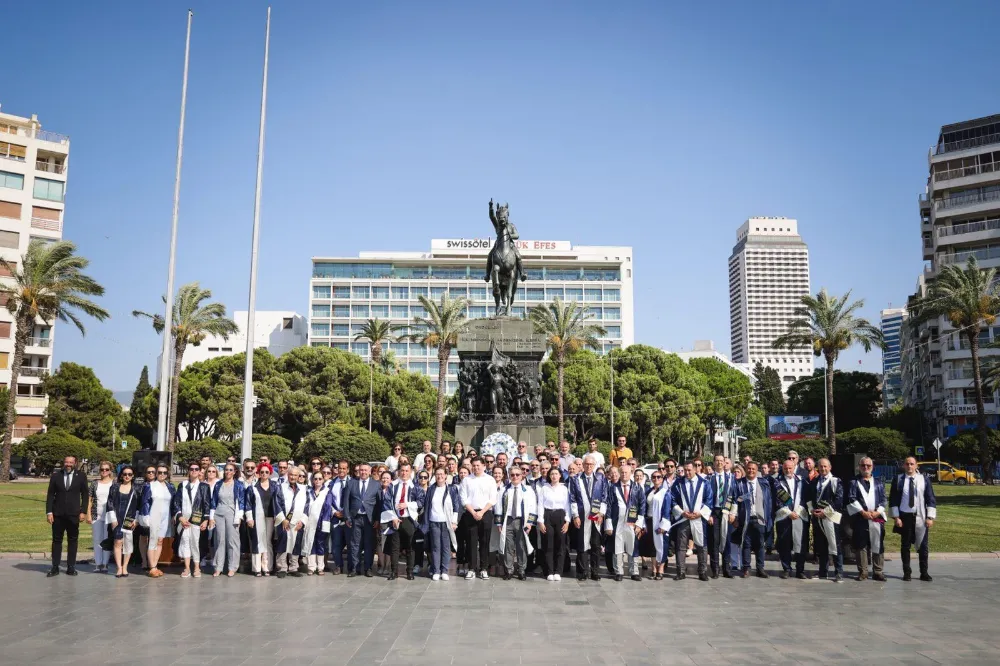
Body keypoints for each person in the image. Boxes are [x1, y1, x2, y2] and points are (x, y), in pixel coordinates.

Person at [890, 456, 937, 582]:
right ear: (903, 466)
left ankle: (924, 572)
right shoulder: (898, 479)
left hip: (920, 516)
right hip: (905, 517)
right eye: (907, 464)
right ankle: (907, 572)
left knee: (923, 546)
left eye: (912, 464)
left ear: (916, 466)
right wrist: (896, 517)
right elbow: (893, 499)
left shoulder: (924, 479)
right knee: (905, 546)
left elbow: (930, 498)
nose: (909, 466)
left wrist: (930, 517)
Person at [45, 455, 89, 577]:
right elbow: (50, 495)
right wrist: (49, 512)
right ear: (63, 462)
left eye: (71, 462)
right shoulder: (55, 476)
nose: (68, 464)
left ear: (75, 463)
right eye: (66, 462)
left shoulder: (81, 476)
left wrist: (83, 511)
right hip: (57, 514)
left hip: (73, 514)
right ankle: (55, 567)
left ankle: (71, 567)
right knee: (56, 541)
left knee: (73, 540)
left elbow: (85, 495)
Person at [671, 460, 714, 581]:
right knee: (681, 545)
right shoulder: (678, 483)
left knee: (701, 545)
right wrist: (681, 512)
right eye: (685, 470)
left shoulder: (704, 483)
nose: (687, 472)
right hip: (684, 518)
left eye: (689, 470)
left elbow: (709, 499)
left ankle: (702, 571)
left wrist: (700, 513)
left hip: (698, 518)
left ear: (695, 469)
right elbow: (673, 499)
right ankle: (680, 571)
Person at [492, 465, 536, 581]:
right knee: (508, 547)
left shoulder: (528, 490)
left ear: (522, 476)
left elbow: (533, 507)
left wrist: (530, 523)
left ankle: (522, 570)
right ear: (509, 476)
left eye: (517, 474)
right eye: (512, 475)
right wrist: (499, 523)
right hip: (508, 521)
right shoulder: (504, 490)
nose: (515, 477)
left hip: (522, 521)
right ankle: (509, 570)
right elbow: (498, 507)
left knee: (521, 546)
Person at [569, 454, 609, 581]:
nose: (589, 466)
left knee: (596, 545)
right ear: (582, 465)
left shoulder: (600, 478)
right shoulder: (576, 479)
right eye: (586, 464)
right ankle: (582, 572)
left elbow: (604, 496)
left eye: (591, 464)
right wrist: (575, 516)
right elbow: (573, 499)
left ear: (595, 465)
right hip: (582, 516)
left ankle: (595, 572)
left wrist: (601, 513)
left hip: (596, 517)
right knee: (582, 545)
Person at [847, 457, 887, 582]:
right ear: (859, 467)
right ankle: (863, 571)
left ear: (872, 467)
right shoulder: (854, 482)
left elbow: (883, 499)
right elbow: (851, 498)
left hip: (876, 518)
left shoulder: (879, 482)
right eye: (863, 465)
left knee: (878, 544)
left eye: (868, 465)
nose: (866, 468)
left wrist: (877, 512)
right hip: (860, 517)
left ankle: (878, 571)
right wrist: (863, 512)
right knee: (861, 545)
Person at [382, 463, 424, 580]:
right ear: (399, 472)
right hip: (395, 519)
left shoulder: (415, 486)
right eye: (402, 471)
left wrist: (407, 505)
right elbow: (386, 502)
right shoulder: (393, 486)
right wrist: (393, 517)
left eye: (407, 470)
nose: (404, 473)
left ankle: (409, 571)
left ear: (410, 472)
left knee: (410, 547)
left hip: (409, 519)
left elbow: (421, 502)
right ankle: (394, 571)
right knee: (395, 547)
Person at [605, 463, 645, 582]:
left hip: (632, 523)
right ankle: (619, 571)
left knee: (633, 546)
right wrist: (608, 523)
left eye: (626, 472)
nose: (624, 474)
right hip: (618, 522)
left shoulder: (637, 487)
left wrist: (639, 523)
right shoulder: (613, 487)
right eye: (621, 472)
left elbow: (642, 506)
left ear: (631, 473)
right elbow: (609, 505)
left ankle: (634, 571)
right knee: (617, 547)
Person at [172, 461, 212, 579]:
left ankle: (197, 568)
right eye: (191, 469)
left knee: (195, 543)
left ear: (200, 471)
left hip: (197, 521)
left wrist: (205, 519)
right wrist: (180, 517)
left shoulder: (204, 486)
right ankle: (187, 568)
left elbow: (207, 504)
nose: (194, 471)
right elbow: (176, 503)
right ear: (189, 471)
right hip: (184, 521)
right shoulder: (182, 485)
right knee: (185, 543)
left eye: (196, 469)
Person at [459, 458, 497, 580]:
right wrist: (473, 512)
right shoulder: (466, 480)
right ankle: (471, 568)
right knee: (471, 542)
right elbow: (463, 499)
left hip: (485, 513)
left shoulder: (490, 480)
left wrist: (481, 512)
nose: (476, 468)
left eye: (478, 465)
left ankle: (484, 568)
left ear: (484, 466)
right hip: (470, 514)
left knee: (485, 542)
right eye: (474, 465)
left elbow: (493, 499)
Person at [733, 461, 771, 579]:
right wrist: (734, 516)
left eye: (753, 469)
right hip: (745, 519)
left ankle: (760, 568)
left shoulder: (764, 483)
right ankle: (746, 568)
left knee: (760, 545)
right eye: (749, 469)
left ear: (757, 470)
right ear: (746, 469)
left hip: (760, 519)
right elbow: (735, 500)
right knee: (746, 544)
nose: (751, 471)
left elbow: (769, 502)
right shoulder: (739, 484)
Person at [422, 467, 461, 581]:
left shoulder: (452, 489)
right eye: (437, 474)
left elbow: (456, 505)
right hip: (434, 521)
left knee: (446, 547)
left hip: (446, 522)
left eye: (441, 474)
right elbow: (427, 506)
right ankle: (436, 570)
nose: (439, 476)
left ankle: (444, 570)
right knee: (435, 547)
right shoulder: (431, 489)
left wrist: (454, 521)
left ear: (445, 476)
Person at [810, 458, 845, 582]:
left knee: (835, 545)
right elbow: (810, 499)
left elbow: (839, 500)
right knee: (821, 545)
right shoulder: (814, 481)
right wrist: (813, 510)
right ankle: (822, 572)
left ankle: (838, 572)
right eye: (821, 466)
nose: (823, 469)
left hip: (831, 518)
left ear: (830, 467)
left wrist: (825, 512)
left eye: (825, 466)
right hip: (817, 519)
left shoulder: (836, 481)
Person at [210, 462, 247, 578]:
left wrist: (240, 516)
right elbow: (214, 501)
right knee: (219, 540)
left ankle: (232, 567)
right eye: (226, 470)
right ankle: (218, 567)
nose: (228, 472)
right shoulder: (218, 484)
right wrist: (211, 517)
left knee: (232, 541)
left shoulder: (239, 485)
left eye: (231, 470)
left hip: (232, 513)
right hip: (219, 513)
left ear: (235, 472)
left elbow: (242, 501)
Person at [138, 464, 175, 578]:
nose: (162, 474)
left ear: (167, 474)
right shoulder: (150, 486)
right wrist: (145, 517)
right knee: (153, 541)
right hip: (154, 515)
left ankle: (155, 564)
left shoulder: (170, 486)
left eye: (164, 472)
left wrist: (174, 515)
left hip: (166, 517)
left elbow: (173, 503)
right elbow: (145, 502)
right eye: (159, 472)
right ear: (156, 473)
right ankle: (152, 567)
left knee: (160, 541)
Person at [773, 460, 808, 579]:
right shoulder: (777, 482)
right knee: (784, 544)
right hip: (784, 516)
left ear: (794, 468)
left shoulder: (801, 481)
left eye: (790, 468)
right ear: (783, 469)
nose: (788, 470)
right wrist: (789, 513)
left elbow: (805, 497)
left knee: (800, 543)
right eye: (786, 468)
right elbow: (777, 500)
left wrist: (797, 512)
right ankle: (786, 569)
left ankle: (800, 570)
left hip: (799, 515)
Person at [345, 462, 381, 577]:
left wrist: (377, 519)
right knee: (355, 544)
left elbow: (379, 503)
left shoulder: (376, 484)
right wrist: (347, 517)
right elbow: (346, 502)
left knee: (369, 544)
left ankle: (368, 568)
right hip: (355, 518)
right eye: (361, 470)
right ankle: (355, 568)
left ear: (370, 472)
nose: (363, 472)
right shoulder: (351, 483)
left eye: (366, 470)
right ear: (358, 471)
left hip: (369, 519)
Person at [273, 467, 308, 578]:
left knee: (296, 544)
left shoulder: (303, 489)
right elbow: (276, 504)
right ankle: (282, 568)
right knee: (282, 543)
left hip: (297, 523)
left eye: (295, 475)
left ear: (299, 476)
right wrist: (283, 519)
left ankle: (293, 567)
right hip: (284, 521)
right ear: (288, 475)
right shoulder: (280, 487)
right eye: (291, 475)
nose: (293, 477)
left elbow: (307, 506)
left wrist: (302, 521)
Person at [537, 466, 570, 581]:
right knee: (548, 544)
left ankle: (558, 571)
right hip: (547, 516)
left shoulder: (564, 489)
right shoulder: (544, 488)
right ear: (549, 476)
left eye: (556, 474)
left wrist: (567, 521)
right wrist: (540, 521)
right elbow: (540, 505)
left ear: (560, 476)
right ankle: (549, 571)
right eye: (552, 474)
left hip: (560, 516)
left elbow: (567, 506)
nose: (554, 476)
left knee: (561, 544)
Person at [106, 466, 139, 578]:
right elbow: (109, 503)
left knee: (128, 542)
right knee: (117, 542)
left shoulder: (136, 489)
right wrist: (113, 519)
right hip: (117, 518)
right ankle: (119, 567)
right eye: (125, 474)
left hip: (129, 519)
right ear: (121, 475)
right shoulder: (115, 487)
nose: (127, 476)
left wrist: (136, 519)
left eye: (129, 474)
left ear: (133, 476)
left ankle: (125, 566)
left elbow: (139, 505)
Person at [302, 468, 334, 576]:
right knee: (310, 544)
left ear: (323, 480)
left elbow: (328, 507)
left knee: (320, 545)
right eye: (315, 479)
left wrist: (323, 521)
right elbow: (306, 507)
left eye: (320, 478)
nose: (318, 481)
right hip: (310, 522)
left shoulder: (327, 492)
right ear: (312, 480)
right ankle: (311, 567)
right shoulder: (308, 492)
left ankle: (320, 567)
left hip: (322, 522)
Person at [707, 454, 734, 579]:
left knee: (726, 540)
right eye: (716, 461)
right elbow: (706, 499)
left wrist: (733, 513)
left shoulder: (731, 478)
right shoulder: (709, 479)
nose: (719, 463)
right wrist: (709, 514)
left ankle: (727, 568)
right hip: (714, 512)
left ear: (725, 463)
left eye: (721, 461)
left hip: (727, 512)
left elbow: (735, 496)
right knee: (714, 541)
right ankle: (715, 569)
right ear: (714, 463)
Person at [247, 462, 276, 577]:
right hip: (257, 517)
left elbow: (278, 502)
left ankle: (267, 566)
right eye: (262, 472)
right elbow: (248, 504)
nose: (264, 474)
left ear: (270, 473)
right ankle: (257, 568)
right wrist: (249, 518)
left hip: (270, 517)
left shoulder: (274, 486)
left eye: (266, 472)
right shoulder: (253, 487)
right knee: (258, 541)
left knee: (268, 542)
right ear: (258, 473)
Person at [87, 461, 115, 574]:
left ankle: (105, 564)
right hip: (96, 515)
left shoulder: (115, 483)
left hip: (109, 516)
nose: (104, 471)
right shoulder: (94, 483)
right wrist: (88, 514)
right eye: (102, 469)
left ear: (110, 471)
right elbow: (89, 500)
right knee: (97, 539)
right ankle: (98, 563)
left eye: (106, 469)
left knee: (107, 539)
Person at [643, 468, 671, 580]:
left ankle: (661, 569)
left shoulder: (666, 492)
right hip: (649, 521)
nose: (656, 479)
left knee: (662, 545)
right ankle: (654, 568)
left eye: (658, 477)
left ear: (662, 479)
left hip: (660, 522)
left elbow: (667, 509)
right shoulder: (648, 491)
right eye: (653, 477)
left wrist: (664, 525)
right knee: (652, 546)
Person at [137, 465, 157, 572]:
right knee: (143, 538)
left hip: (155, 516)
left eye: (153, 472)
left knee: (154, 539)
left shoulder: (160, 486)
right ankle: (144, 560)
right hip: (143, 515)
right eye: (149, 472)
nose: (151, 474)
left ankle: (152, 561)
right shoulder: (141, 486)